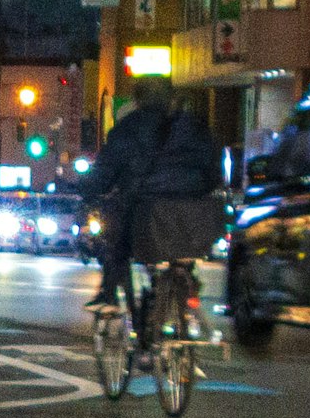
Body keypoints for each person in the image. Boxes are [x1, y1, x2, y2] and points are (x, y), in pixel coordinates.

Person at [85, 90, 223, 320]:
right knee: (182, 252)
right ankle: (186, 285)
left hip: (148, 211)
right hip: (197, 213)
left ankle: (108, 295)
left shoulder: (129, 128)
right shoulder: (196, 128)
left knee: (117, 238)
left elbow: (105, 172)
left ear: (137, 101)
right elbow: (214, 171)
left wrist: (87, 191)